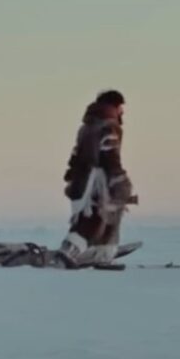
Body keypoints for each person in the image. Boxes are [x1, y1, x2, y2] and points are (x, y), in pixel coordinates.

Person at [58, 90, 135, 267]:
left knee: (102, 219)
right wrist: (119, 179)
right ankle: (70, 252)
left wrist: (71, 175)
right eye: (121, 107)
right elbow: (110, 155)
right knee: (95, 220)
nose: (123, 112)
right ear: (115, 106)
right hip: (99, 182)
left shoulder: (87, 127)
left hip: (82, 179)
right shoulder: (108, 126)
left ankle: (101, 255)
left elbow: (75, 154)